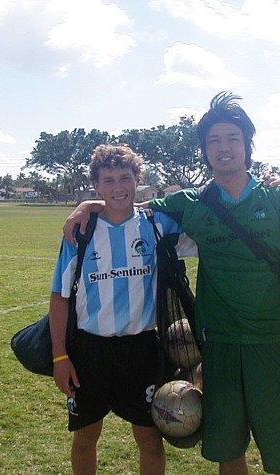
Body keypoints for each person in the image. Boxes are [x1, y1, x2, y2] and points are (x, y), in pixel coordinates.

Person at [64, 92, 280, 475]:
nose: (223, 147)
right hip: (217, 346)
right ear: (204, 149)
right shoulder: (192, 202)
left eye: (232, 138)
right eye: (214, 140)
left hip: (274, 343)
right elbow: (129, 206)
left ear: (247, 144)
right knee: (228, 452)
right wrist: (89, 205)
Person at [49, 144, 195, 475]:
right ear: (96, 186)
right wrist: (60, 357)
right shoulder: (80, 231)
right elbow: (60, 296)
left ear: (137, 180)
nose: (118, 187)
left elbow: (205, 219)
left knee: (150, 441)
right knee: (85, 438)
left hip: (142, 350)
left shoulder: (157, 225)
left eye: (125, 178)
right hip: (89, 351)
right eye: (109, 180)